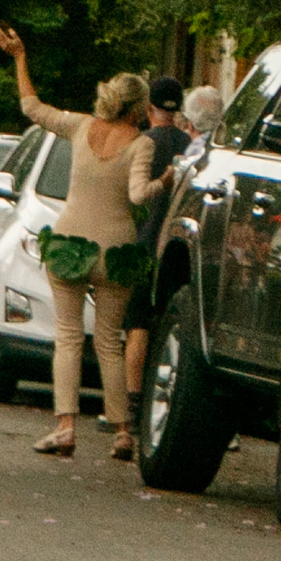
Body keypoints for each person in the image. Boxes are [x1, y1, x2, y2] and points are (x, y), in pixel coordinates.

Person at [0, 26, 159, 458]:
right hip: (115, 252)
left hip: (67, 244)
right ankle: (122, 431)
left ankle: (64, 427)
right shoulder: (141, 144)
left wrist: (20, 58)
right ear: (138, 108)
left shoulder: (79, 127)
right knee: (108, 342)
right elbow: (139, 195)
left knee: (67, 337)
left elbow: (31, 107)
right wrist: (170, 180)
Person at [118, 75, 195, 394]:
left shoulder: (140, 144)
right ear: (178, 110)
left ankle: (132, 403)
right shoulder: (193, 149)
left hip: (141, 244)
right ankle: (161, 398)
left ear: (148, 106)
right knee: (169, 328)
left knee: (137, 324)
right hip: (177, 254)